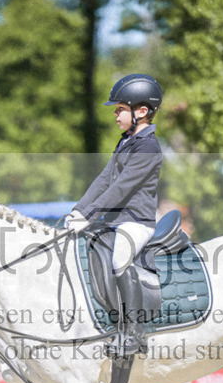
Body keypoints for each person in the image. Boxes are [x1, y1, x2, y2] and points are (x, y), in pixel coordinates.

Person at [65, 73, 163, 363]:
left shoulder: (148, 146)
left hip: (138, 221)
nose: (115, 115)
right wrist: (79, 210)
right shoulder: (127, 141)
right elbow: (105, 179)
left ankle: (134, 332)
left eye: (120, 109)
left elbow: (123, 188)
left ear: (141, 111)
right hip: (117, 220)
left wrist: (92, 214)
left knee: (119, 259)